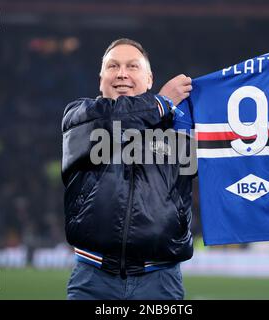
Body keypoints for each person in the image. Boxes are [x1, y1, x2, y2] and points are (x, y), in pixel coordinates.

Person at [61, 38, 194, 300]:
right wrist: (160, 103)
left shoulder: (182, 126)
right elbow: (115, 119)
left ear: (149, 78)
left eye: (132, 66)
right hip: (93, 278)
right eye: (113, 66)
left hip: (161, 280)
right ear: (101, 79)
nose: (122, 73)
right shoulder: (81, 116)